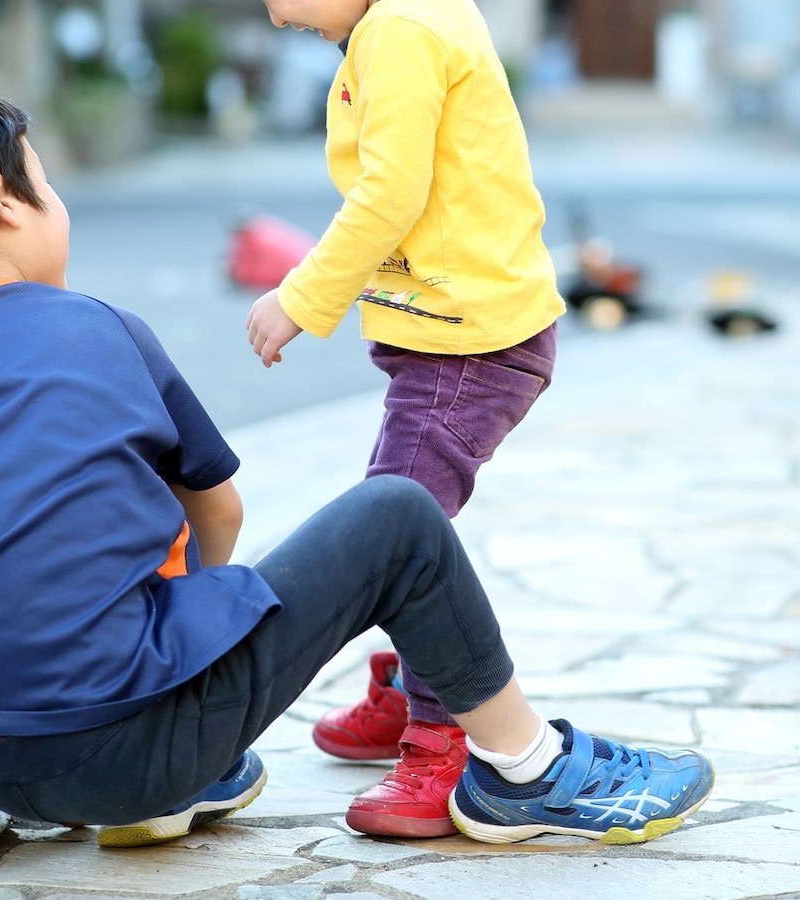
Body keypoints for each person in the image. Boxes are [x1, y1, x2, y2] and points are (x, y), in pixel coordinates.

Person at [0, 65, 712, 849]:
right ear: (1, 197)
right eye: (45, 182)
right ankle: (526, 770)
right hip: (130, 747)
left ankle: (178, 779)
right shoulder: (97, 329)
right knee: (397, 518)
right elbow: (218, 509)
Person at [242, 0, 567, 837]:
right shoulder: (399, 22)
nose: (274, 16)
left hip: (471, 348)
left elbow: (390, 191)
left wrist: (301, 297)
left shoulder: (403, 31)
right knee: (393, 529)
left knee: (393, 533)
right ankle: (407, 686)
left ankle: (442, 739)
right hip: (453, 336)